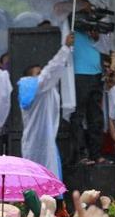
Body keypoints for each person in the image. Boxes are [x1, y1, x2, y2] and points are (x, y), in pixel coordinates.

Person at [18, 34, 75, 178]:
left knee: (47, 179)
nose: (40, 75)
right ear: (29, 77)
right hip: (36, 143)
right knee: (35, 179)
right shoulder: (31, 86)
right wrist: (65, 48)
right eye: (37, 73)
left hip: (46, 141)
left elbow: (50, 75)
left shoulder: (44, 90)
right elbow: (50, 72)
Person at [71, 23, 107, 164]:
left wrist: (97, 35)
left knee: (96, 116)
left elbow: (106, 48)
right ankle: (81, 154)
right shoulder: (72, 23)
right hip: (79, 74)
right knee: (78, 116)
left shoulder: (94, 27)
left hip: (96, 74)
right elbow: (59, 10)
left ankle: (96, 153)